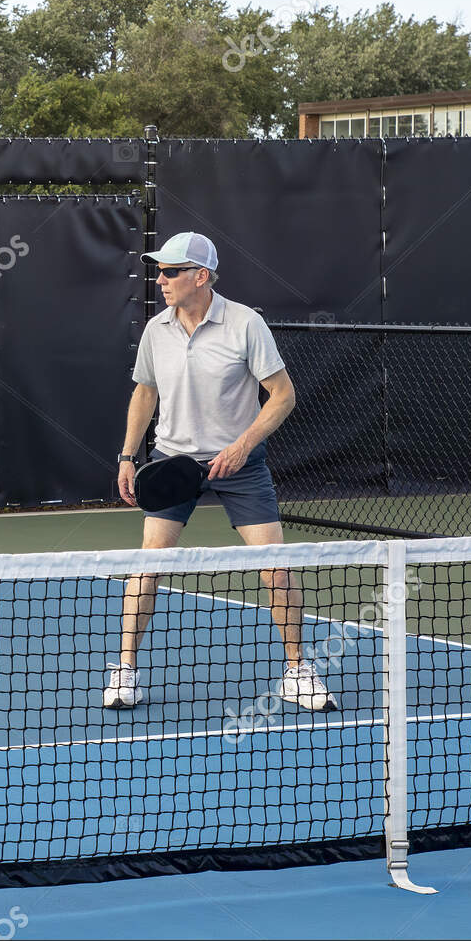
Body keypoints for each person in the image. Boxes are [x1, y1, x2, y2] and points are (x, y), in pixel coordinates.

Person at [106, 232, 335, 713]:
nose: (161, 279)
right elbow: (144, 392)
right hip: (173, 464)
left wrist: (243, 445)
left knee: (275, 564)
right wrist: (129, 457)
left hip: (240, 465)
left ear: (200, 276)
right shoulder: (156, 329)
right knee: (149, 564)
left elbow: (283, 394)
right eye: (160, 270)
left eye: (171, 271)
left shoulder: (245, 324)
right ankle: (125, 670)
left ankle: (297, 670)